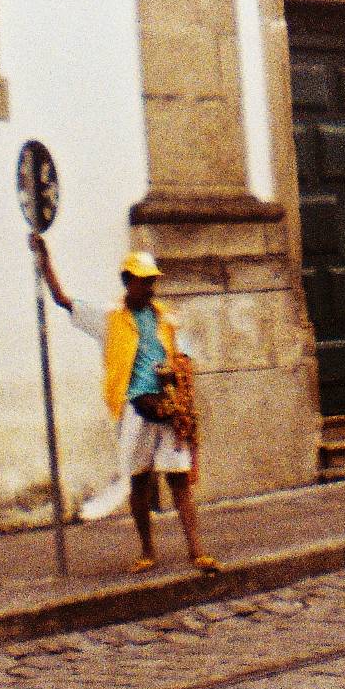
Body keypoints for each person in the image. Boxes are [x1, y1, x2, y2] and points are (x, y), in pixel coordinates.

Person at [29, 236, 217, 574]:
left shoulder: (167, 319)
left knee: (179, 477)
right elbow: (62, 300)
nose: (150, 288)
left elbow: (184, 355)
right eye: (144, 282)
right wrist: (45, 262)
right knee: (139, 480)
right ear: (128, 282)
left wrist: (180, 378)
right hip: (133, 407)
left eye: (152, 282)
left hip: (167, 404)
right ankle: (147, 551)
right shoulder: (109, 319)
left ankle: (197, 551)